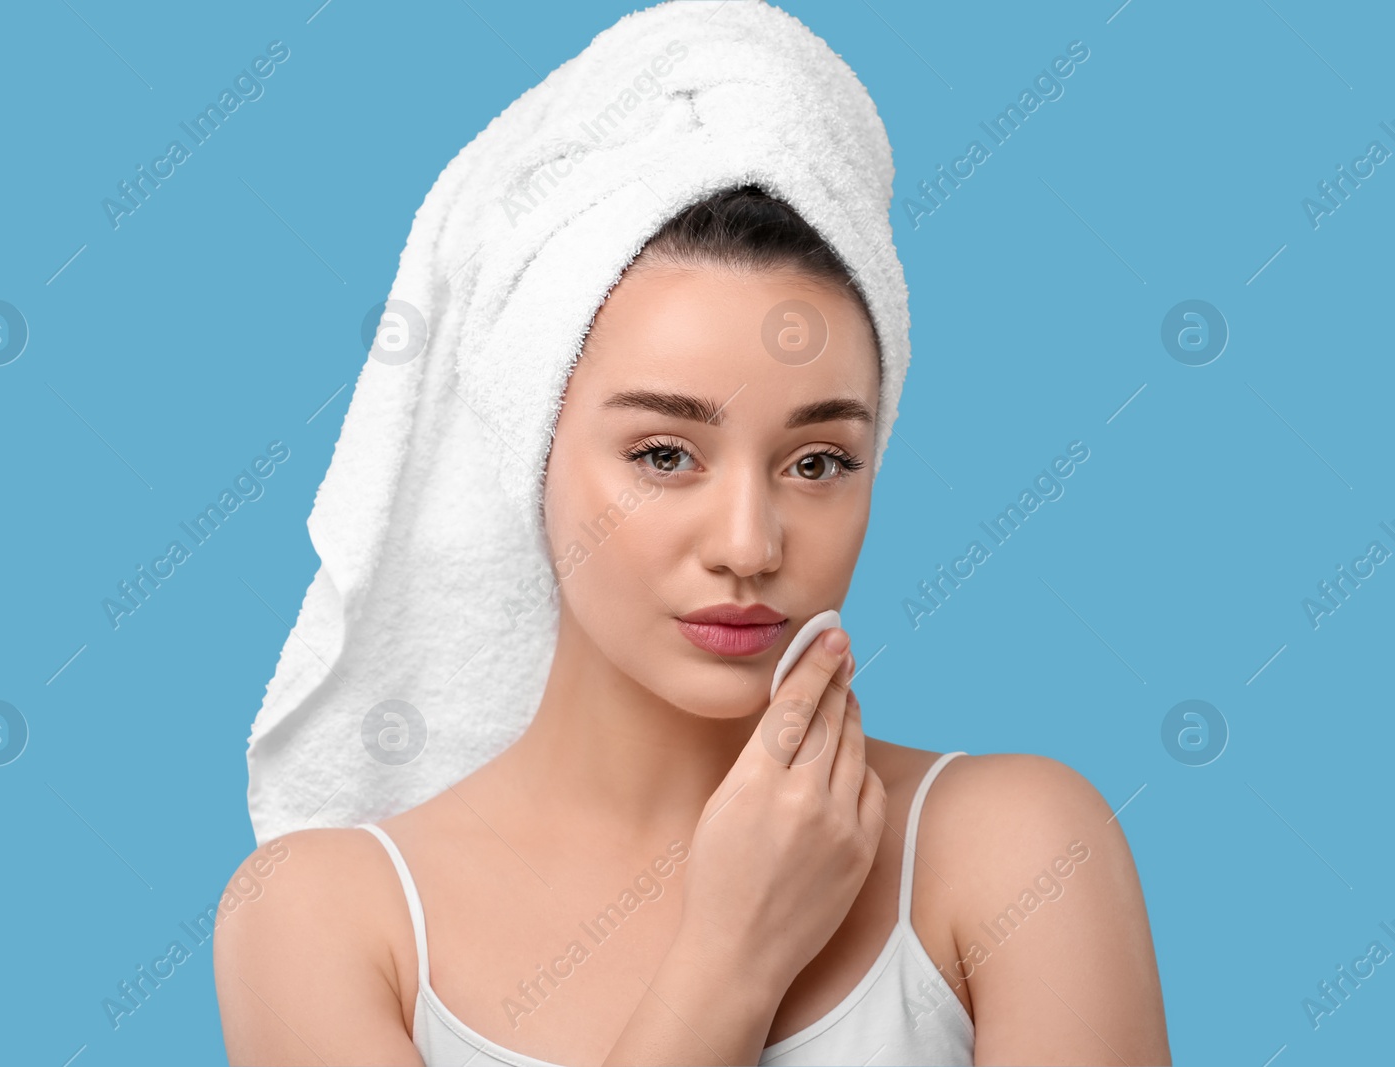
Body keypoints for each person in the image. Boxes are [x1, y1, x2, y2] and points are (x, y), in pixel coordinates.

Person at [213, 185, 1171, 1066]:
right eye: (666, 453)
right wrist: (733, 958)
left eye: (818, 461)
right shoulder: (323, 919)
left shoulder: (1018, 850)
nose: (750, 545)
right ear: (531, 454)